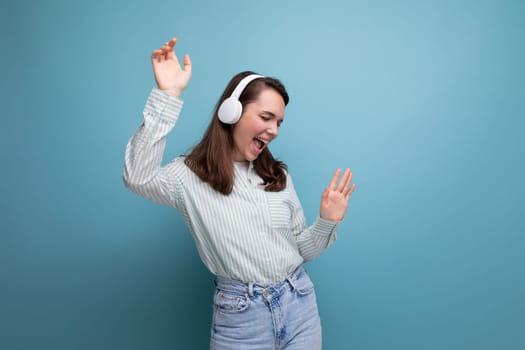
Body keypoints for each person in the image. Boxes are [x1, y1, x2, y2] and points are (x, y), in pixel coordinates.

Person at [123, 37, 356, 350]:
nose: (274, 130)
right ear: (231, 112)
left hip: (299, 302)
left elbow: (302, 249)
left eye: (279, 122)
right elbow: (137, 177)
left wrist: (327, 222)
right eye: (266, 117)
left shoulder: (278, 176)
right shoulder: (188, 176)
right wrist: (168, 95)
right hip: (241, 318)